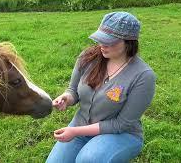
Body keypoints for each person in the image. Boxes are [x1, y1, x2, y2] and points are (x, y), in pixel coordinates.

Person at [46, 12, 156, 163]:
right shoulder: (88, 57)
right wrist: (66, 98)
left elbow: (121, 124)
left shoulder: (143, 76)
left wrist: (75, 131)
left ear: (129, 42)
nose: (102, 45)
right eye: (100, 39)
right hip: (80, 126)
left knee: (88, 159)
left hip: (121, 134)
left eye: (109, 41)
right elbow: (73, 91)